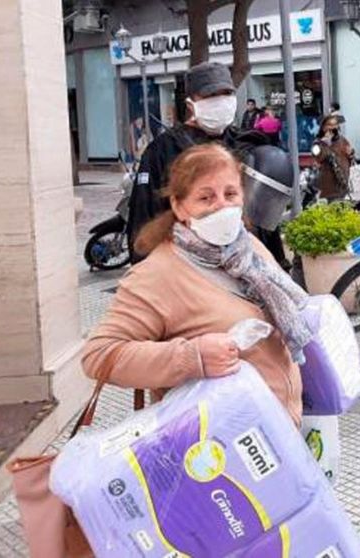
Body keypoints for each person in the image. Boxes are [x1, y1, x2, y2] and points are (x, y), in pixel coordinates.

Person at [82, 144, 310, 425]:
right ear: (179, 206)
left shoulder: (248, 247)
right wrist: (192, 357)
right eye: (205, 197)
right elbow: (99, 355)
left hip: (279, 437)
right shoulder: (157, 274)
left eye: (230, 194)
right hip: (218, 451)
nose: (222, 206)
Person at [128, 62, 266, 264]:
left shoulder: (245, 144)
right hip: (183, 262)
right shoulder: (163, 150)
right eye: (211, 96)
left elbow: (263, 218)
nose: (221, 101)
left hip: (243, 261)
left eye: (226, 94)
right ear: (191, 104)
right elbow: (144, 213)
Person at [314, 114, 355, 202]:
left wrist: (351, 153)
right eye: (329, 125)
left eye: (335, 124)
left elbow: (351, 157)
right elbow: (319, 157)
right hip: (328, 184)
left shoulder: (342, 140)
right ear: (323, 127)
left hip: (342, 180)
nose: (332, 127)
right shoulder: (318, 143)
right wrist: (326, 143)